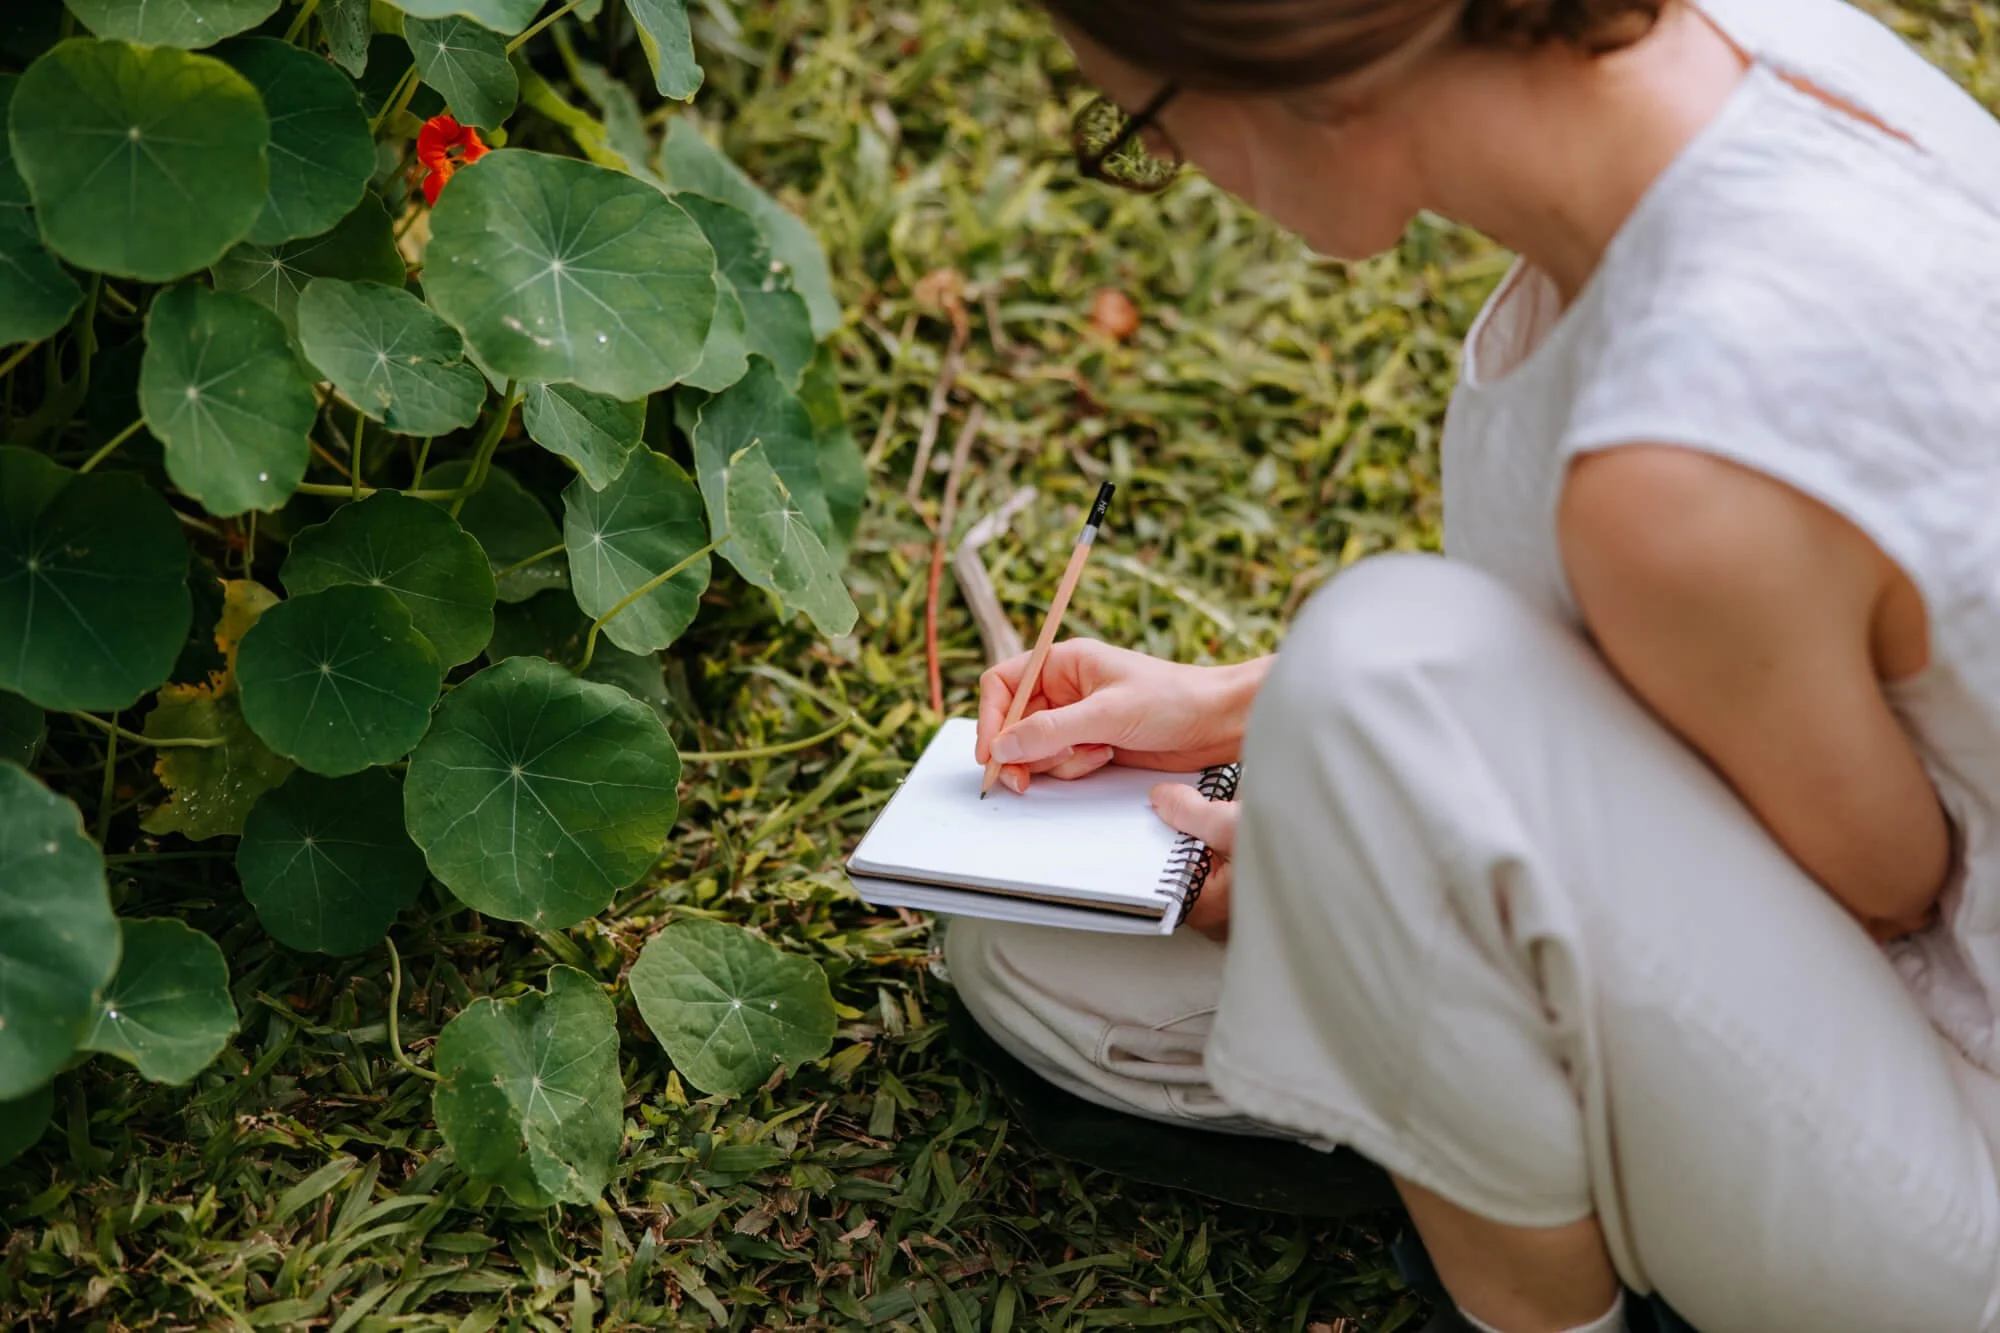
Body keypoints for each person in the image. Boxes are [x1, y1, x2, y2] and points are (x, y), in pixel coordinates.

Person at [944, 1, 2000, 1330]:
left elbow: (1893, 890)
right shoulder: (1747, 49)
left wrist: (1353, 858)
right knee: (1029, 959)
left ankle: (1534, 1310)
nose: (1170, 171)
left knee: (1376, 682)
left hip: (1960, 1145)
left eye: (1140, 127)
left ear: (1307, 85)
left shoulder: (1678, 483)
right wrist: (1228, 709)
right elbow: (1745, 670)